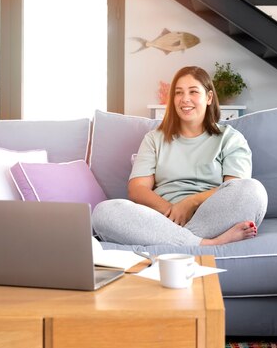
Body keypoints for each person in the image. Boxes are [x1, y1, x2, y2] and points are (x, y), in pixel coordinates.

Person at [92, 66, 267, 246]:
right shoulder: (154, 139)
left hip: (211, 216)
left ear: (208, 97)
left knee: (252, 190)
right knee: (104, 212)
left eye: (193, 92)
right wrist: (172, 211)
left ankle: (179, 241)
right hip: (161, 218)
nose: (185, 99)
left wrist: (190, 203)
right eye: (178, 93)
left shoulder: (230, 138)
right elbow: (137, 189)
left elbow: (234, 187)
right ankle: (205, 244)